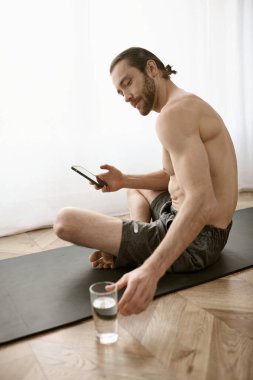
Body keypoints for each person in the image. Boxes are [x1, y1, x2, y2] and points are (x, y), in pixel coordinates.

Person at [54, 47, 238, 316]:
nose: (126, 96)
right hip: (204, 229)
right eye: (120, 92)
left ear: (151, 69)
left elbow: (201, 201)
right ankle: (137, 238)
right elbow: (172, 176)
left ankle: (136, 246)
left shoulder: (173, 115)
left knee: (64, 220)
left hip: (198, 241)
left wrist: (151, 269)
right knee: (136, 187)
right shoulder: (182, 105)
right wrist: (124, 180)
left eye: (127, 83)